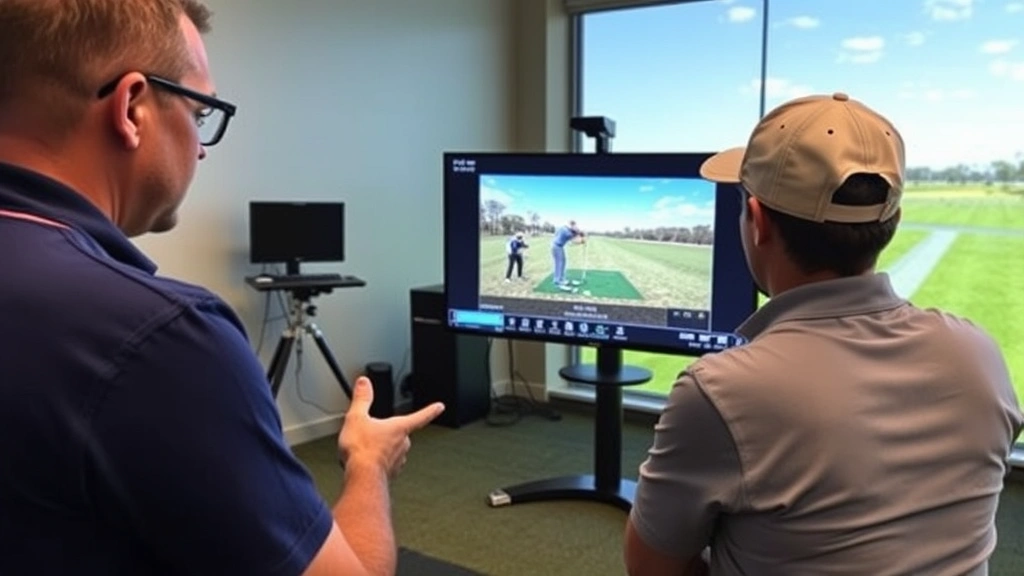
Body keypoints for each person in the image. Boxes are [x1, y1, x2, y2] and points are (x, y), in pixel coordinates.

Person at [0, 2, 444, 575]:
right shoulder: (162, 340)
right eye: (200, 110)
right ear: (132, 107)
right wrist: (367, 464)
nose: (203, 147)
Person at [624, 93, 1023, 575]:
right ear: (890, 222)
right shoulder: (977, 352)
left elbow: (651, 566)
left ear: (758, 221)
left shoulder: (721, 390)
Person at [551, 219, 585, 287]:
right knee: (559, 263)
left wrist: (579, 233)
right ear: (571, 225)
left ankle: (562, 279)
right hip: (556, 247)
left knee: (563, 262)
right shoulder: (567, 232)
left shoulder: (565, 228)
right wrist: (582, 240)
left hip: (559, 247)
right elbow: (573, 241)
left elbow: (575, 232)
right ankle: (557, 281)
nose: (575, 227)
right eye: (574, 225)